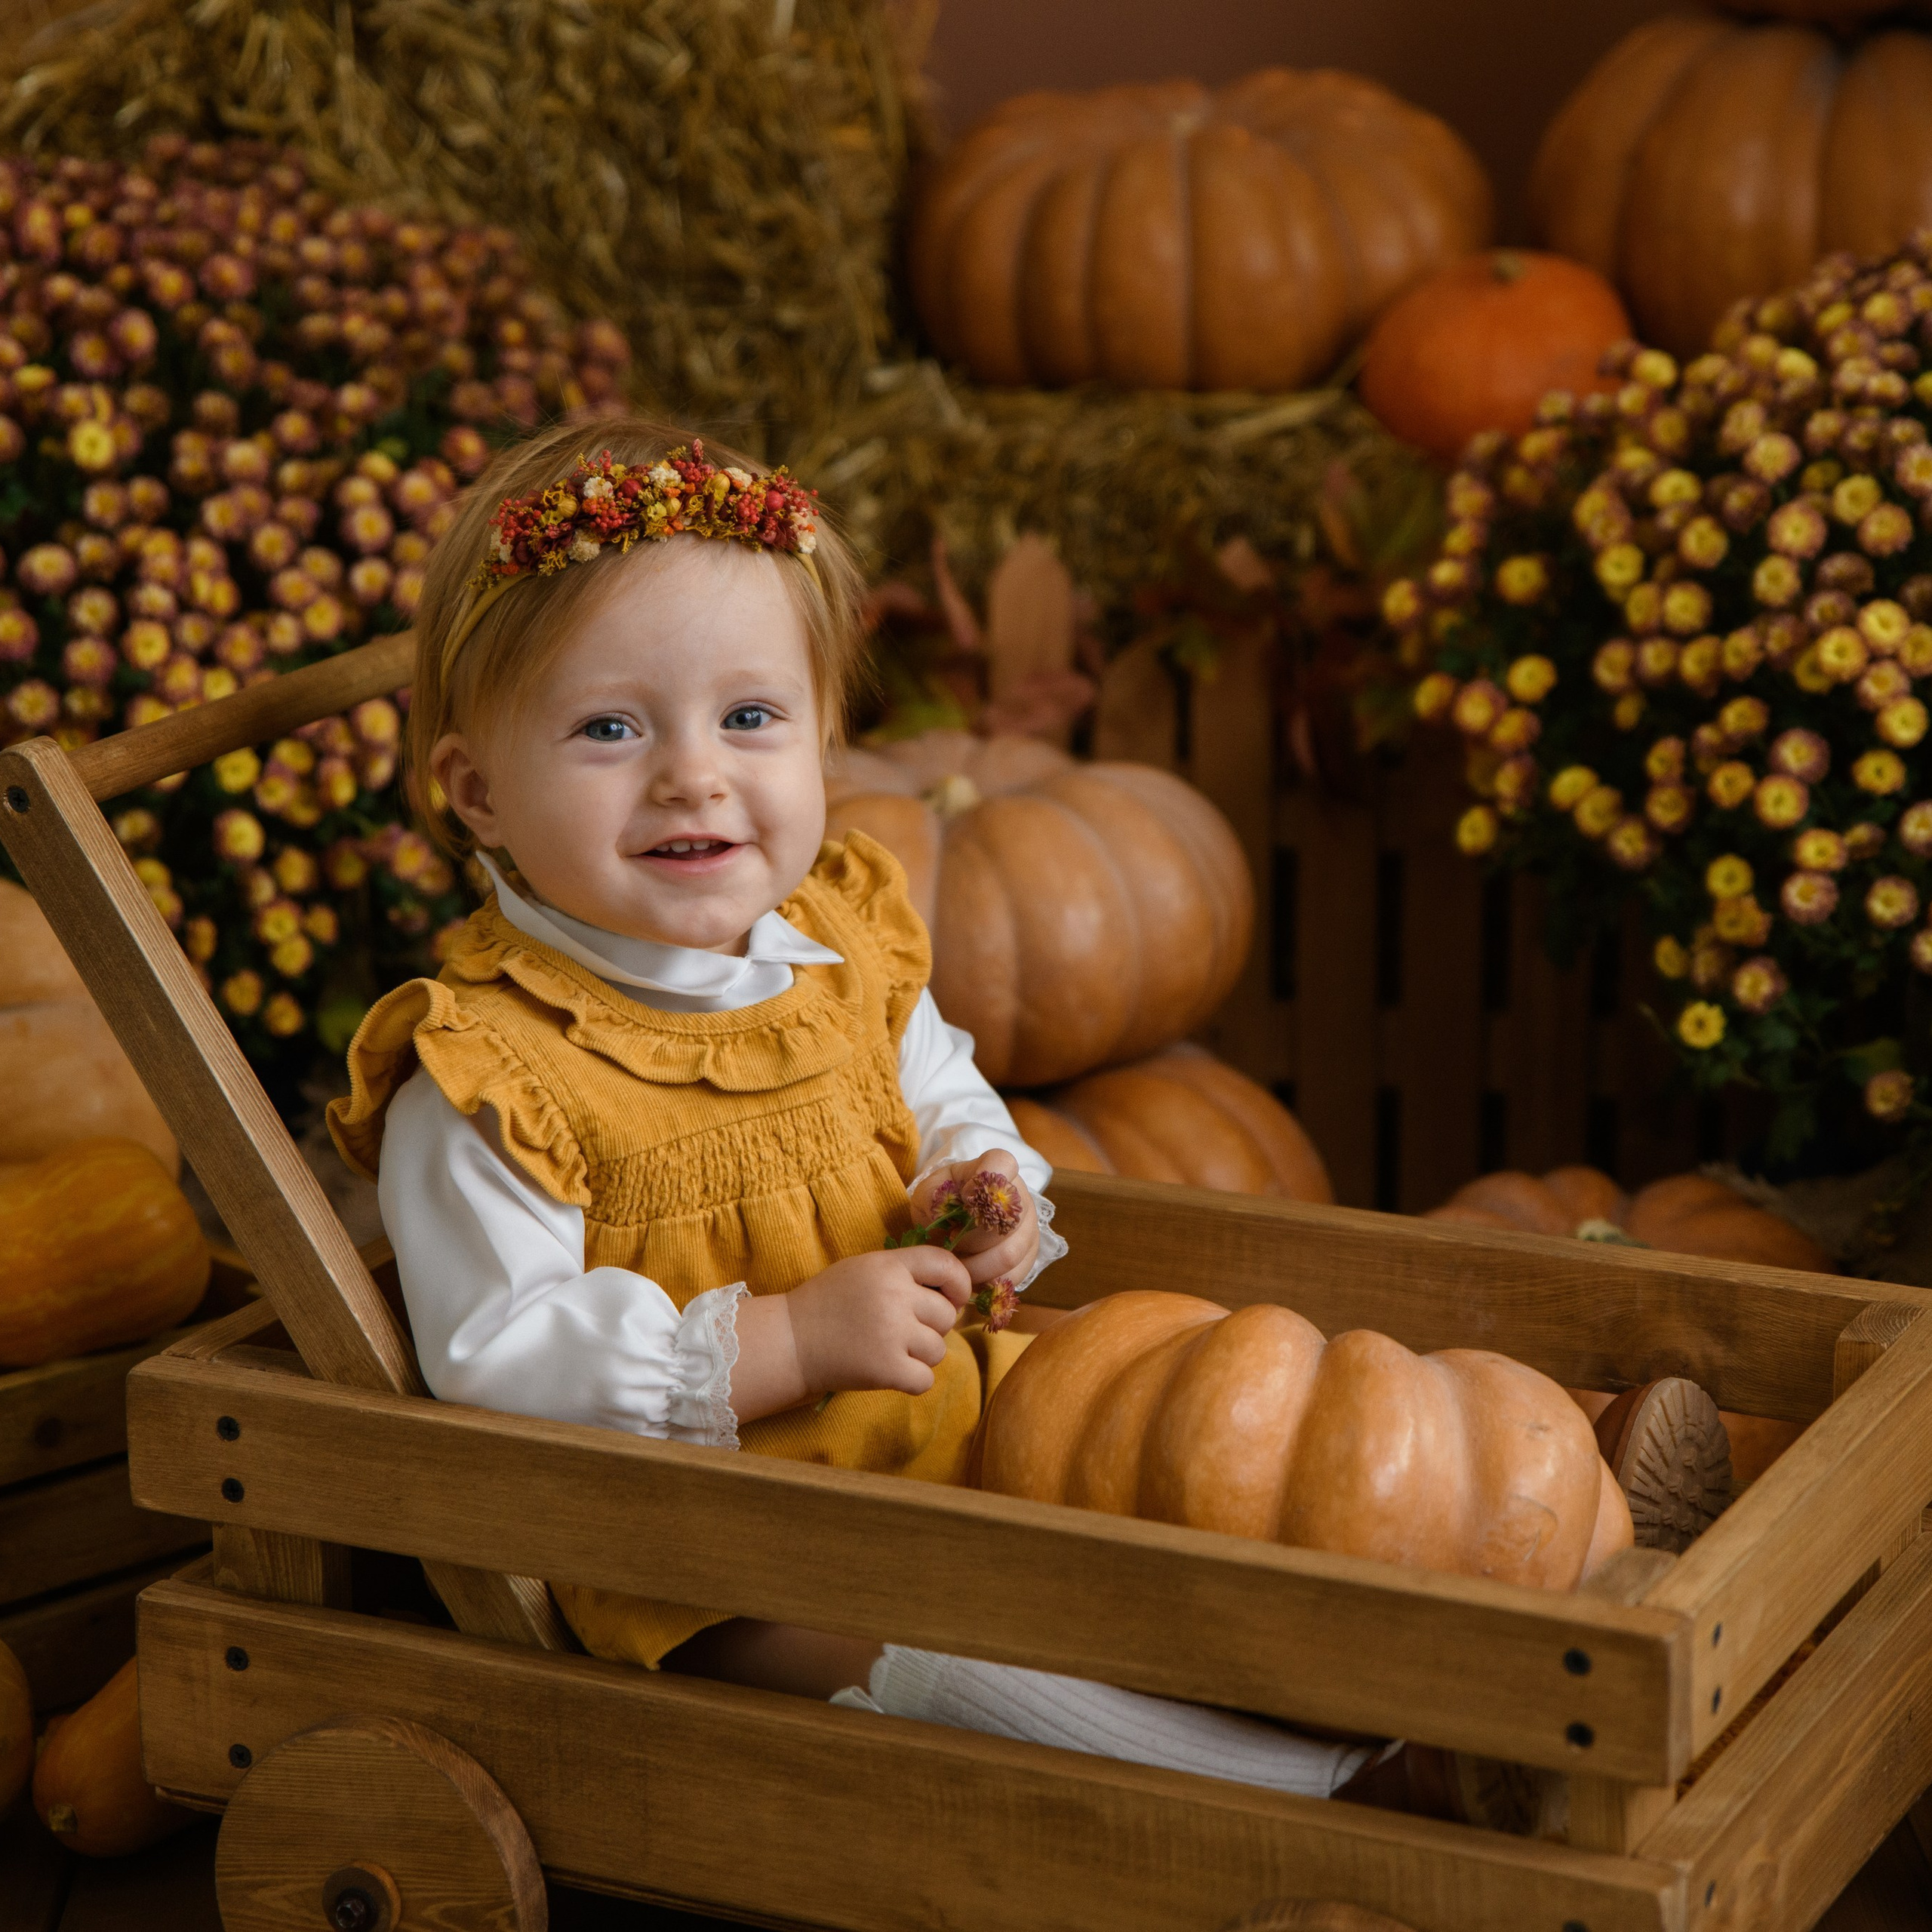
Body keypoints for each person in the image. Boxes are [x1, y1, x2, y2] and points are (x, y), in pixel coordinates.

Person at [327, 417, 1399, 1810]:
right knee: (965, 1673)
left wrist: (988, 1179)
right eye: (609, 728)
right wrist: (785, 1340)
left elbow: (943, 1089)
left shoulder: (839, 948)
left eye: (751, 718)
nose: (694, 775)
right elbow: (499, 1356)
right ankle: (1334, 1803)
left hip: (945, 1441)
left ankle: (1395, 1694)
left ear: (827, 737)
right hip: (722, 1557)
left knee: (1173, 1495)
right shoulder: (487, 1077)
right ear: (476, 791)